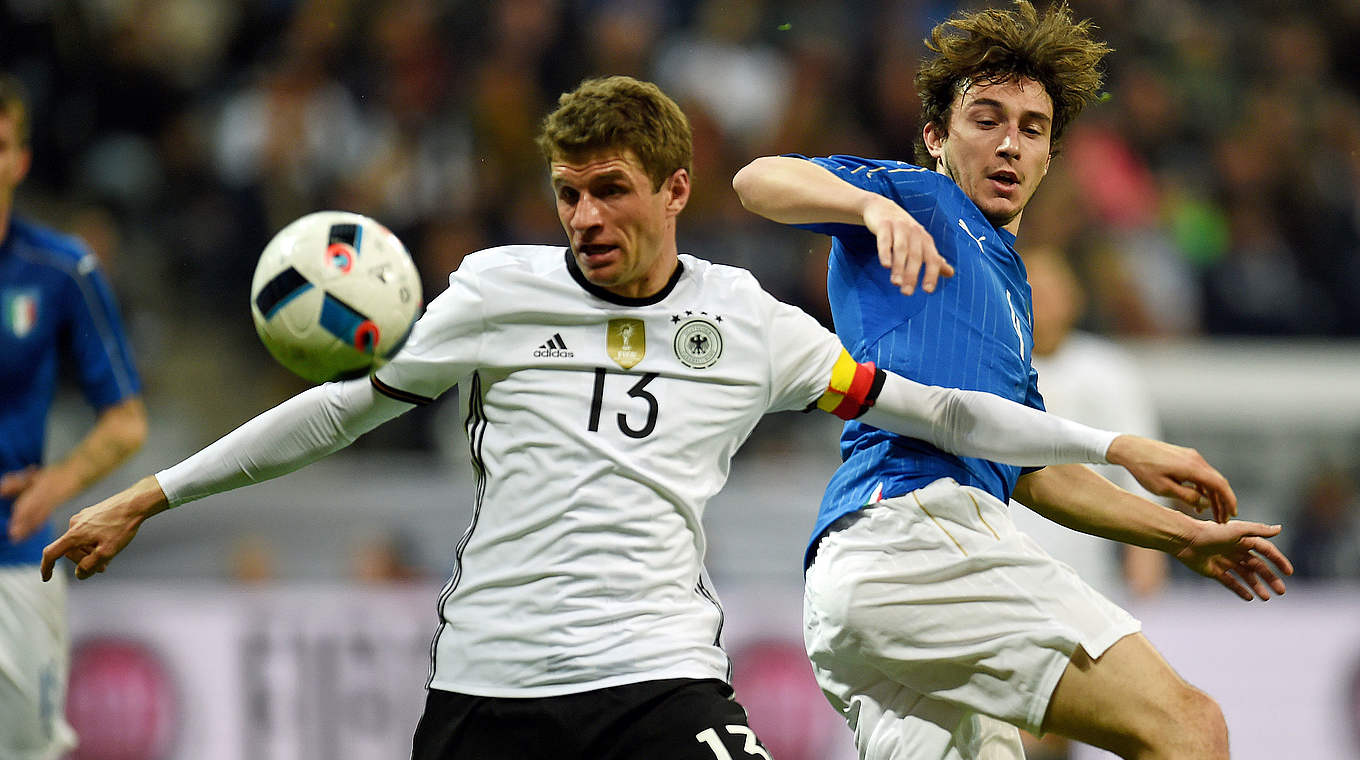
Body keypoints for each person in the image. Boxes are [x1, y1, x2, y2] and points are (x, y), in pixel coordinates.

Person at [45, 76, 1233, 760]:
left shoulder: (751, 324)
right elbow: (332, 416)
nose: (584, 218)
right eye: (568, 194)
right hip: (489, 685)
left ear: (671, 191)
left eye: (609, 190)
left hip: (658, 677)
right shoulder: (492, 294)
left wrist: (1111, 445)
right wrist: (149, 494)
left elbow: (932, 408)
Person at [732, 3, 1293, 759]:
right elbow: (757, 179)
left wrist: (1181, 535)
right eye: (986, 119)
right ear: (936, 136)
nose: (1009, 143)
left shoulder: (1010, 288)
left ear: (1051, 154)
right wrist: (865, 203)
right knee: (1190, 727)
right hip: (918, 534)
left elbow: (1033, 473)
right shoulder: (914, 197)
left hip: (865, 584)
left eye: (1032, 129)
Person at [0, 74, 147, 760]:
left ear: (21, 159)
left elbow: (125, 422)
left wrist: (55, 485)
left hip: (12, 560)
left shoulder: (60, 270)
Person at [1009, 244, 1168, 603]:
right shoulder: (995, 367)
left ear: (1073, 298)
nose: (1042, 304)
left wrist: (1149, 548)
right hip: (1003, 551)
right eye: (1032, 292)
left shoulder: (1109, 371)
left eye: (1051, 293)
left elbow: (1143, 459)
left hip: (1084, 559)